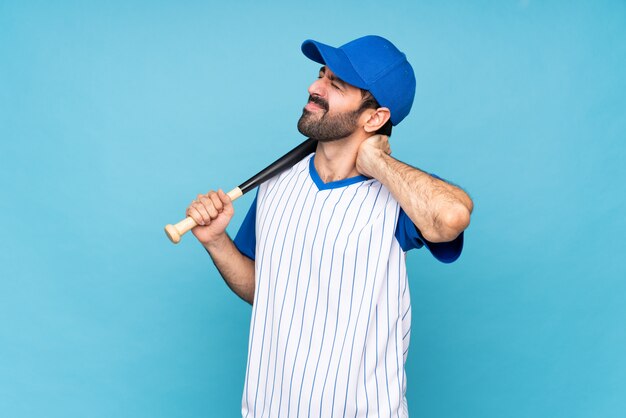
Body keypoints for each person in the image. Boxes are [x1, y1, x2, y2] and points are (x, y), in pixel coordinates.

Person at [186, 35, 473, 418]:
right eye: (321, 74)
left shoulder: (400, 198)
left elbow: (451, 217)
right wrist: (217, 242)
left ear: (375, 117)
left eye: (335, 85)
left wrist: (377, 162)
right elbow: (268, 290)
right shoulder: (276, 185)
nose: (314, 87)